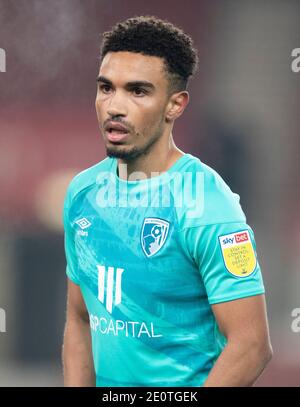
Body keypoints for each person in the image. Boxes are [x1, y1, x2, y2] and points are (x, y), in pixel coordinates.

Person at [62, 15, 272, 387]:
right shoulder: (82, 193)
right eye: (106, 88)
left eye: (138, 91)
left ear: (175, 105)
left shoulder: (208, 205)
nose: (115, 106)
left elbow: (252, 345)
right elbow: (80, 320)